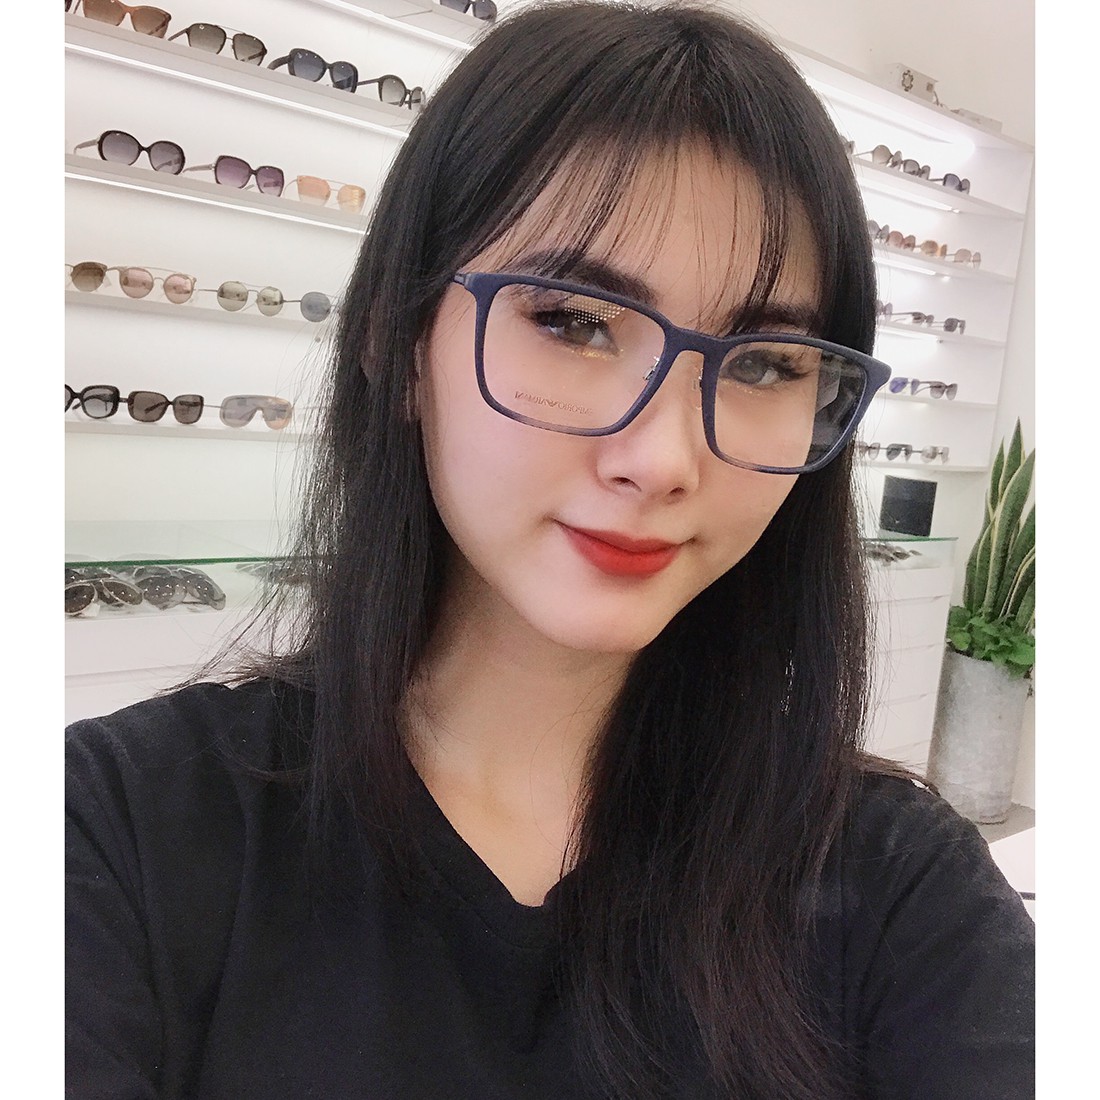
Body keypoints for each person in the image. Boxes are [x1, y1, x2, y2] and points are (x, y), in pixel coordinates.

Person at [65, 2, 1035, 1098]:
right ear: (395, 337)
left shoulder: (903, 889)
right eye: (573, 322)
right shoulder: (117, 836)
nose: (661, 458)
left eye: (764, 363)